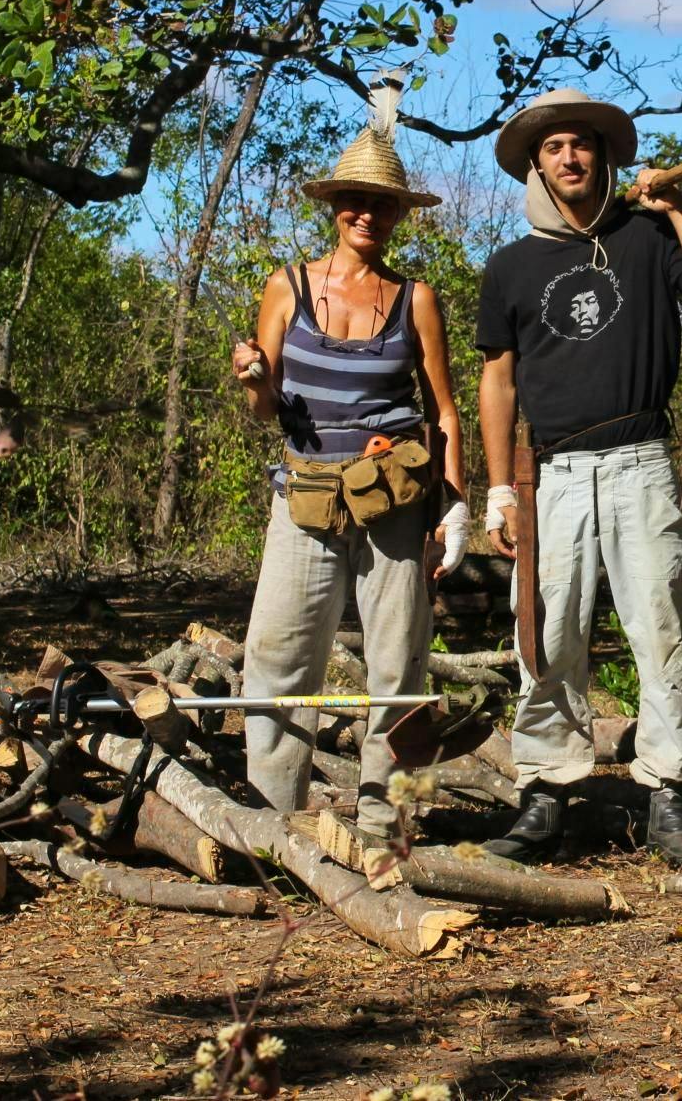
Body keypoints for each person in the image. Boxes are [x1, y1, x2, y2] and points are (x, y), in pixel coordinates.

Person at [474, 87, 682, 868]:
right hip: (550, 476)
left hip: (640, 465)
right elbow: (497, 381)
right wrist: (497, 489)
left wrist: (678, 209)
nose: (569, 156)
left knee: (661, 630)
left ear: (605, 155)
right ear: (536, 165)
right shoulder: (511, 266)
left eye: (581, 143)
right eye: (553, 146)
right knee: (546, 636)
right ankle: (546, 793)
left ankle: (669, 797)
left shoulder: (649, 240)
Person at [230, 110, 470, 840]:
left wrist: (453, 511)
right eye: (354, 201)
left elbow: (446, 411)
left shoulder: (414, 299)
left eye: (384, 203)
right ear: (334, 207)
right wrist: (250, 377)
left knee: (399, 663)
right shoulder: (287, 287)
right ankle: (272, 823)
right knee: (275, 657)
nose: (367, 213)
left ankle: (390, 823)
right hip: (303, 496)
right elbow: (261, 405)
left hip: (395, 500)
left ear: (401, 214)